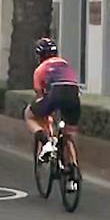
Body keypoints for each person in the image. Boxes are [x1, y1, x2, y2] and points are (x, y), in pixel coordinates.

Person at [25, 38, 82, 186]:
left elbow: (40, 97)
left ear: (39, 56)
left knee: (30, 114)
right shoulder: (65, 64)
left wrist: (46, 117)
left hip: (55, 93)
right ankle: (73, 172)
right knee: (69, 133)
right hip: (74, 95)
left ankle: (46, 144)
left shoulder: (40, 69)